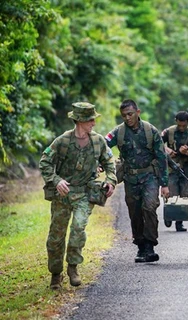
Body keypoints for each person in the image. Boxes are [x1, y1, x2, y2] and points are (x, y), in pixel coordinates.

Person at [39, 102, 116, 290]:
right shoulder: (63, 141)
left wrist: (111, 180)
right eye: (90, 120)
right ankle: (56, 274)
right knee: (56, 236)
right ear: (80, 121)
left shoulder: (98, 141)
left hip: (84, 193)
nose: (94, 123)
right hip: (62, 195)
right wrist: (56, 180)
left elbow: (109, 162)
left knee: (78, 228)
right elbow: (45, 162)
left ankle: (73, 267)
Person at [105, 99, 169, 263]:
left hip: (149, 177)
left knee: (149, 207)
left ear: (138, 112)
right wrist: (99, 163)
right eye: (124, 115)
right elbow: (103, 146)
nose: (127, 118)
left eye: (130, 114)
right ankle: (140, 246)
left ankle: (150, 246)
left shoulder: (150, 131)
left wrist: (165, 184)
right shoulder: (118, 132)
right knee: (135, 213)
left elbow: (161, 157)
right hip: (130, 178)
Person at [162, 111, 188, 232]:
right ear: (176, 121)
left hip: (186, 169)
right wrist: (166, 149)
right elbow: (156, 143)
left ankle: (179, 222)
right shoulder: (168, 132)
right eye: (179, 125)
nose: (182, 128)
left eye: (184, 125)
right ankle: (169, 214)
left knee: (184, 195)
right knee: (171, 193)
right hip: (172, 167)